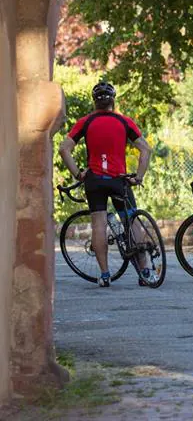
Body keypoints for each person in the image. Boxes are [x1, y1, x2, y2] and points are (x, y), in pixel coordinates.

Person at [58, 81, 152, 287]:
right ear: (113, 101)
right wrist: (139, 177)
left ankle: (105, 274)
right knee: (131, 221)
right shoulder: (124, 121)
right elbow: (145, 149)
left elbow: (64, 149)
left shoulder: (85, 122)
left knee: (98, 225)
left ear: (94, 102)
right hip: (119, 180)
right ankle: (145, 271)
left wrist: (77, 174)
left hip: (95, 181)